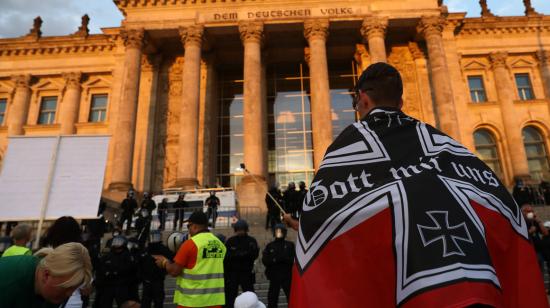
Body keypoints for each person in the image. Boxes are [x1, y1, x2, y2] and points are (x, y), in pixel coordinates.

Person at [291, 63, 548, 307]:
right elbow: (504, 208)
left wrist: (301, 224)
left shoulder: (347, 149)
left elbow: (321, 225)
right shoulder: (444, 143)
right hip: (477, 287)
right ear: (400, 102)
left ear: (363, 99)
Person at [153, 211, 226, 308]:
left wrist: (164, 262)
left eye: (188, 226)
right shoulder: (220, 245)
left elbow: (174, 271)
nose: (188, 230)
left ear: (194, 226)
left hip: (192, 302)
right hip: (214, 302)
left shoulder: (190, 244)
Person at [0, 242, 92, 307]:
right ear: (46, 275)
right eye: (66, 288)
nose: (70, 294)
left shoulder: (53, 294)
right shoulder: (7, 282)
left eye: (73, 289)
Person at [95, 235, 139, 308]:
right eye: (115, 242)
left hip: (122, 285)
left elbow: (129, 268)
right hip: (108, 284)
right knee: (105, 303)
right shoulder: (108, 256)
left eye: (119, 242)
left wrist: (116, 272)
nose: (117, 244)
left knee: (123, 304)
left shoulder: (127, 255)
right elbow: (101, 268)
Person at [224, 220, 259, 308]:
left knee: (249, 295)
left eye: (242, 229)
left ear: (246, 230)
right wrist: (241, 255)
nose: (240, 231)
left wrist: (240, 255)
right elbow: (227, 256)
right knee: (230, 296)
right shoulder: (231, 241)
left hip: (246, 272)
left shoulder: (251, 241)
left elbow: (254, 254)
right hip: (233, 273)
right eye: (238, 229)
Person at [139, 230, 174, 308]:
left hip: (158, 280)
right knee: (145, 301)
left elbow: (172, 259)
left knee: (158, 301)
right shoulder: (146, 250)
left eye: (156, 237)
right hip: (147, 281)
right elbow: (140, 263)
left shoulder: (163, 249)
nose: (154, 239)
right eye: (152, 237)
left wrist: (165, 269)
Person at [262, 224, 294, 308]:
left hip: (287, 275)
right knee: (272, 299)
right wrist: (275, 260)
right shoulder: (270, 246)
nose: (279, 233)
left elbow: (293, 260)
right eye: (277, 231)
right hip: (274, 276)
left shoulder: (290, 245)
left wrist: (282, 259)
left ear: (284, 233)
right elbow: (265, 260)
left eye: (281, 231)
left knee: (291, 297)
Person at [521, 204, 548, 272]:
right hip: (528, 252)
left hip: (538, 251)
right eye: (528, 211)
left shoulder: (534, 222)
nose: (530, 213)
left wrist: (538, 220)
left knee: (541, 272)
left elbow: (545, 233)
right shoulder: (521, 223)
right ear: (523, 212)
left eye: (532, 211)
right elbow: (520, 237)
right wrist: (530, 231)